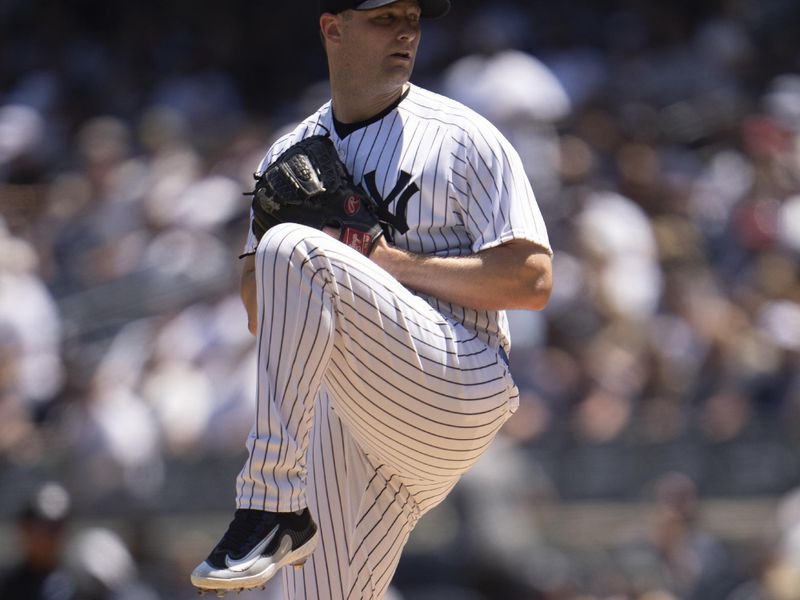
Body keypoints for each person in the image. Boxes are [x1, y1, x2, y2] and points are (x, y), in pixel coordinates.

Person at [191, 0, 553, 598]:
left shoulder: (463, 138)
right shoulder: (291, 152)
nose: (407, 30)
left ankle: (270, 500)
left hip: (457, 378)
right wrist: (283, 238)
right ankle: (281, 513)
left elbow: (533, 280)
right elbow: (259, 309)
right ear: (333, 28)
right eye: (384, 17)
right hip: (360, 411)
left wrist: (386, 262)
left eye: (412, 16)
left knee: (291, 247)